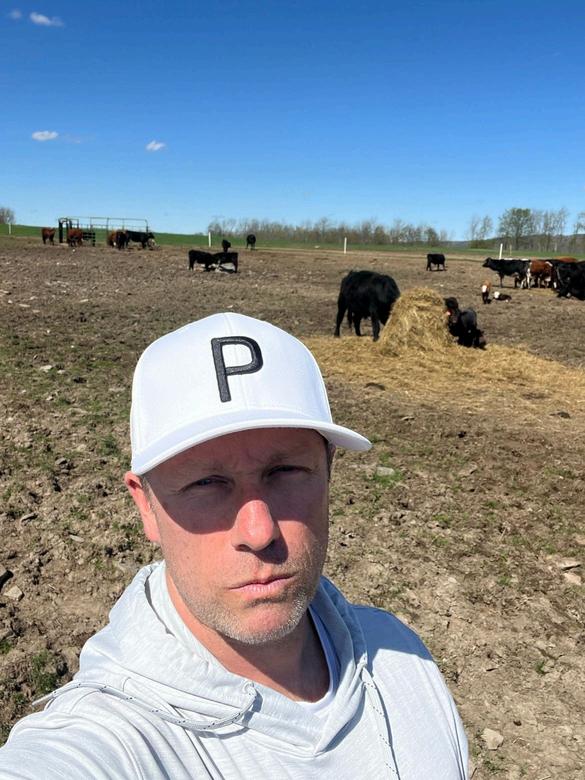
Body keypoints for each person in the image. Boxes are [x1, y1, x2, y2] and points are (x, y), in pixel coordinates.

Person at [0, 313, 468, 779]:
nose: (260, 532)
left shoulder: (402, 657)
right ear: (146, 506)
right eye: (207, 482)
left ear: (328, 471)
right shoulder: (109, 741)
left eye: (285, 471)